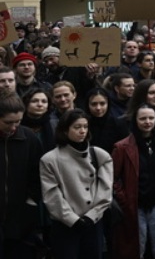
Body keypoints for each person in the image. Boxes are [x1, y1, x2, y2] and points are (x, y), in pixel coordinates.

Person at [111, 104, 155, 259]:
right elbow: (113, 177)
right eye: (143, 118)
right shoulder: (122, 147)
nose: (147, 122)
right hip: (135, 205)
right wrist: (124, 199)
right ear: (135, 120)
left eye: (151, 118)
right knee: (138, 247)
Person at [40, 109, 114, 259]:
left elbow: (106, 189)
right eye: (77, 127)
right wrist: (73, 220)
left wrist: (91, 216)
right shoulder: (50, 159)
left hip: (93, 221)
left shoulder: (100, 154)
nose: (82, 131)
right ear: (65, 130)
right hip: (65, 224)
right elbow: (51, 195)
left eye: (85, 127)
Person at [0, 93, 44, 258]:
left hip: (20, 219)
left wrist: (31, 201)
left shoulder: (29, 138)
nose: (13, 127)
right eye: (8, 123)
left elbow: (38, 173)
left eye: (18, 122)